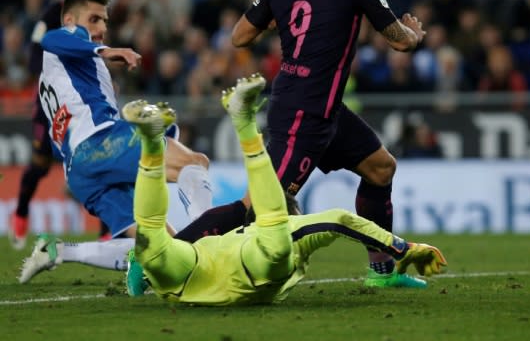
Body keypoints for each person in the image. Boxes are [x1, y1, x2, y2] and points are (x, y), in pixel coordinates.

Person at [218, 0, 427, 288]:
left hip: (326, 108)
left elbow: (240, 35)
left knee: (381, 168)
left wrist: (287, 15)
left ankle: (381, 272)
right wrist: (415, 35)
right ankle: (165, 251)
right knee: (261, 205)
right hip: (304, 111)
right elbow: (398, 41)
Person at [125, 74, 446, 305]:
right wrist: (403, 248)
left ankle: (156, 145)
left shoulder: (255, 235)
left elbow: (336, 220)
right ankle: (243, 124)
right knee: (271, 237)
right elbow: (337, 220)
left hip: (190, 272)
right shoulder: (288, 236)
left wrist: (403, 248)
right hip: (244, 272)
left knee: (152, 240)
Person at [18, 0, 212, 283]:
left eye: (105, 21)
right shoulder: (65, 43)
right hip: (100, 143)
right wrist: (107, 51)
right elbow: (52, 38)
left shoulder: (61, 70)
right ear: (70, 19)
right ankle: (211, 243)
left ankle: (58, 251)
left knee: (162, 248)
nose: (102, 28)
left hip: (79, 172)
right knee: (194, 163)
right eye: (94, 19)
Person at [10, 0, 104, 249]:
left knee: (98, 161)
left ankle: (106, 230)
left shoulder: (97, 17)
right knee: (40, 164)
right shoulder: (54, 14)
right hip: (51, 104)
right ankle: (22, 211)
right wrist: (51, 76)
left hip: (85, 102)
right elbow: (35, 52)